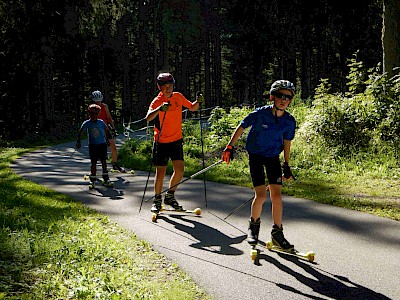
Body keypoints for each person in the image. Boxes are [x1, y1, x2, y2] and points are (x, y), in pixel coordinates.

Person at [222, 80, 297, 250]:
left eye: (288, 97)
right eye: (280, 96)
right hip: (255, 156)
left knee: (277, 196)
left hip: (272, 158)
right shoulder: (260, 114)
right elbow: (242, 126)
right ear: (272, 97)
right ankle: (253, 228)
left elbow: (287, 141)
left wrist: (286, 163)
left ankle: (277, 234)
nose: (283, 100)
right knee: (261, 196)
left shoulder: (289, 121)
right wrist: (229, 146)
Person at [145, 72, 202, 213]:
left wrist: (198, 101)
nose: (168, 89)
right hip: (161, 142)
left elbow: (193, 107)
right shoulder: (157, 101)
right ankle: (157, 200)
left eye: (170, 86)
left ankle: (170, 196)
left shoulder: (178, 97)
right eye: (165, 87)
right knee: (161, 173)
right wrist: (159, 109)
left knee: (180, 170)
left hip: (176, 141)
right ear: (160, 87)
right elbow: (148, 118)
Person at [76, 104, 112, 185]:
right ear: (89, 114)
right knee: (93, 162)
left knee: (103, 161)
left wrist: (107, 140)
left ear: (98, 114)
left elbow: (106, 130)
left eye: (96, 114)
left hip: (102, 144)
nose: (94, 116)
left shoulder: (101, 122)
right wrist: (78, 141)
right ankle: (93, 178)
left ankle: (106, 177)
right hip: (93, 145)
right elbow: (80, 131)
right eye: (92, 114)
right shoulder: (87, 123)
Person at [91, 90, 126, 172]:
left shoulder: (104, 106)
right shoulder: (91, 108)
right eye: (96, 102)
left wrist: (113, 128)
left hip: (105, 129)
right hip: (96, 131)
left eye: (99, 101)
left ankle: (115, 164)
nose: (98, 103)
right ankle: (94, 168)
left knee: (113, 147)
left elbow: (109, 118)